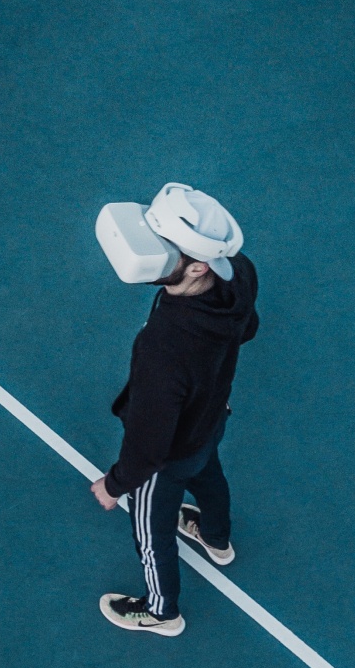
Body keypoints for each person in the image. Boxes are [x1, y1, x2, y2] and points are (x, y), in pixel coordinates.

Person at [91, 187, 259, 636]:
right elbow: (248, 328)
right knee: (208, 476)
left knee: (152, 534)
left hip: (169, 456)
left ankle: (162, 612)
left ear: (198, 266)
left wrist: (115, 484)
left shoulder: (163, 348)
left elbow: (149, 445)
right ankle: (217, 539)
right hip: (211, 418)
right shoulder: (240, 272)